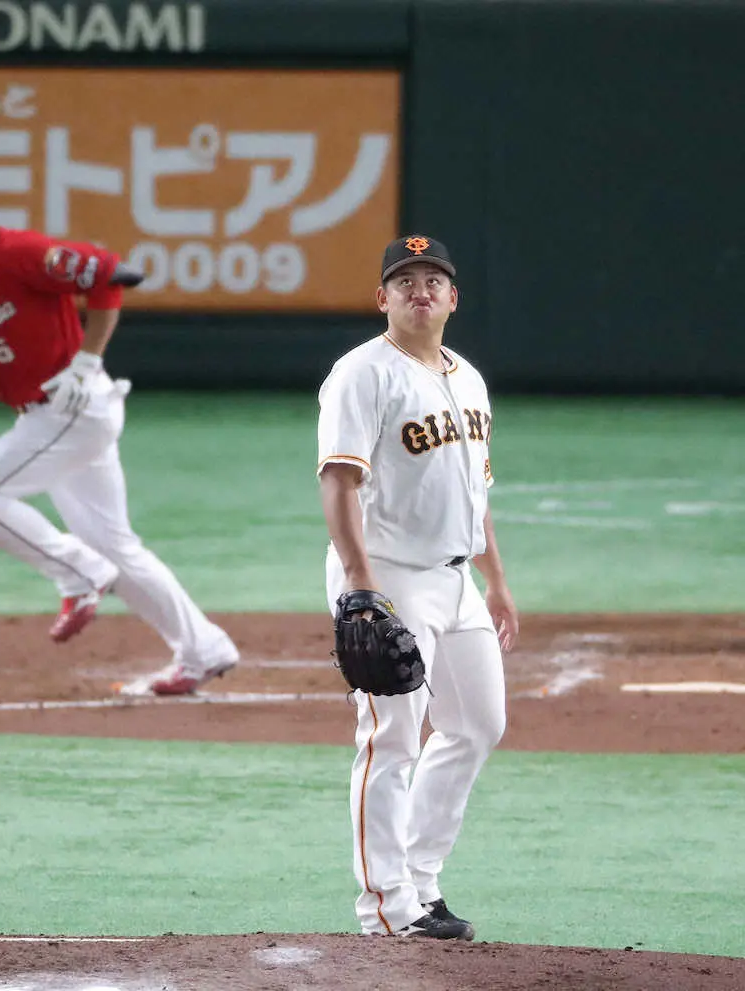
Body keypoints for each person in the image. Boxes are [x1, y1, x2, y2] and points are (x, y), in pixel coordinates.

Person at [0, 150, 238, 696]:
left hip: (74, 406)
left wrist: (87, 359)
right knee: (116, 546)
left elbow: (111, 274)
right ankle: (202, 649)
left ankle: (78, 575)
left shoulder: (10, 251)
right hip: (51, 418)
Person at [316, 234, 519, 939]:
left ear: (453, 297)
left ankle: (422, 882)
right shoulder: (361, 374)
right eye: (405, 281)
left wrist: (495, 581)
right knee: (391, 739)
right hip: (388, 574)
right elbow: (338, 481)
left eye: (433, 279)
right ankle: (383, 905)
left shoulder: (468, 378)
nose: (420, 290)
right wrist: (360, 585)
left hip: (456, 579)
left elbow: (477, 489)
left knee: (476, 724)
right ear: (383, 299)